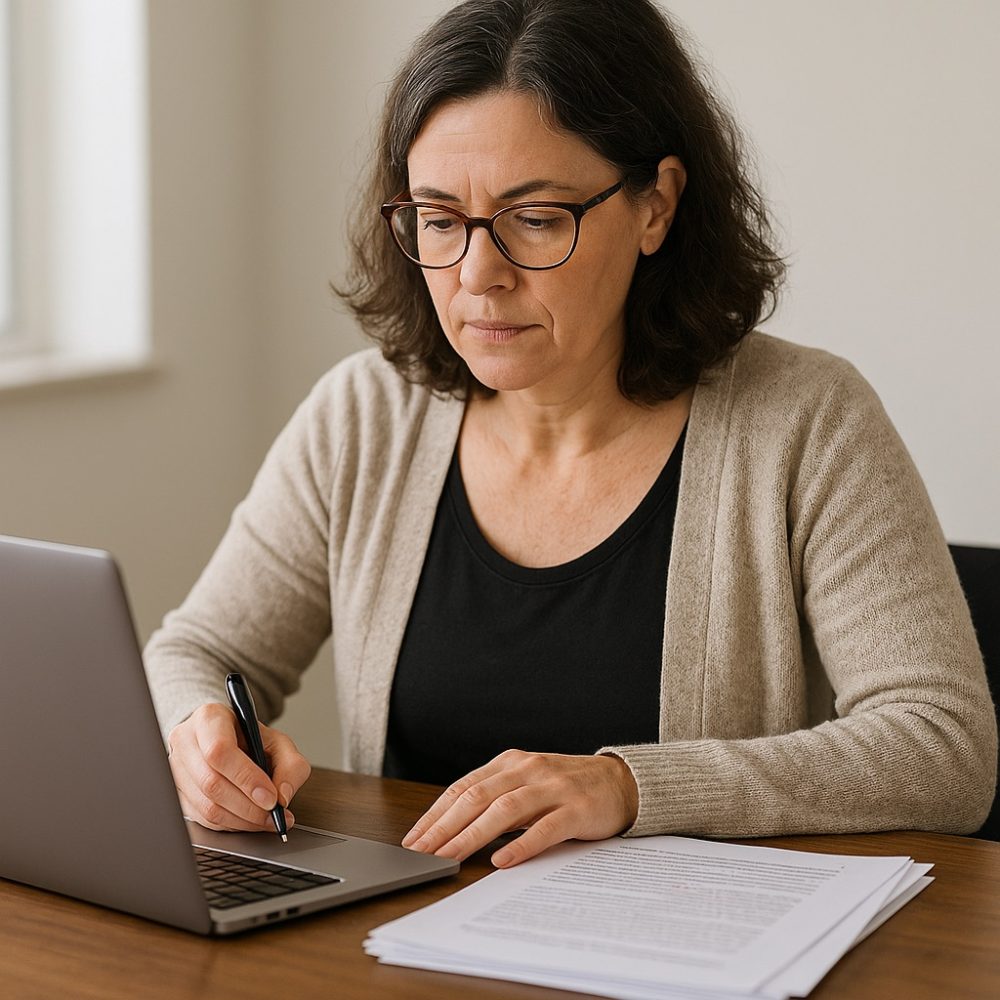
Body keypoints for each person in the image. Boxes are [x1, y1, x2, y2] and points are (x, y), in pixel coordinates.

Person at [144, 0, 996, 870]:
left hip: (686, 951)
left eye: (537, 218)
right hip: (397, 944)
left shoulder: (806, 421)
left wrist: (628, 787)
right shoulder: (366, 416)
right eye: (440, 220)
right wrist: (197, 734)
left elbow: (944, 747)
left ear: (656, 206)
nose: (479, 274)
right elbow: (200, 650)